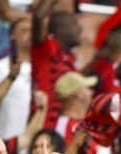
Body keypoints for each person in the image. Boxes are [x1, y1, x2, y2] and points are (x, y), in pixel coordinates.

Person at [31, 0, 82, 128]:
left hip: (63, 127)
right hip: (42, 125)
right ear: (61, 29)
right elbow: (38, 17)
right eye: (74, 24)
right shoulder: (47, 49)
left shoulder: (71, 60)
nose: (80, 29)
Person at [0, 17, 33, 140]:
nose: (30, 34)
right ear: (12, 36)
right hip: (6, 142)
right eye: (25, 30)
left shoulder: (41, 69)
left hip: (34, 146)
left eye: (33, 30)